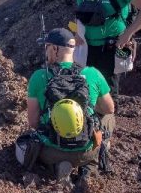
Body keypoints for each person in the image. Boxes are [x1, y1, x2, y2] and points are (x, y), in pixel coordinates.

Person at [19, 28, 115, 179]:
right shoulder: (92, 73)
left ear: (55, 48)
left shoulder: (38, 77)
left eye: (47, 47)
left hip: (51, 152)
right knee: (109, 118)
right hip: (86, 150)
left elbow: (33, 122)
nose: (45, 51)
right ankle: (89, 166)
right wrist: (87, 106)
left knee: (39, 139)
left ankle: (57, 167)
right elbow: (109, 108)